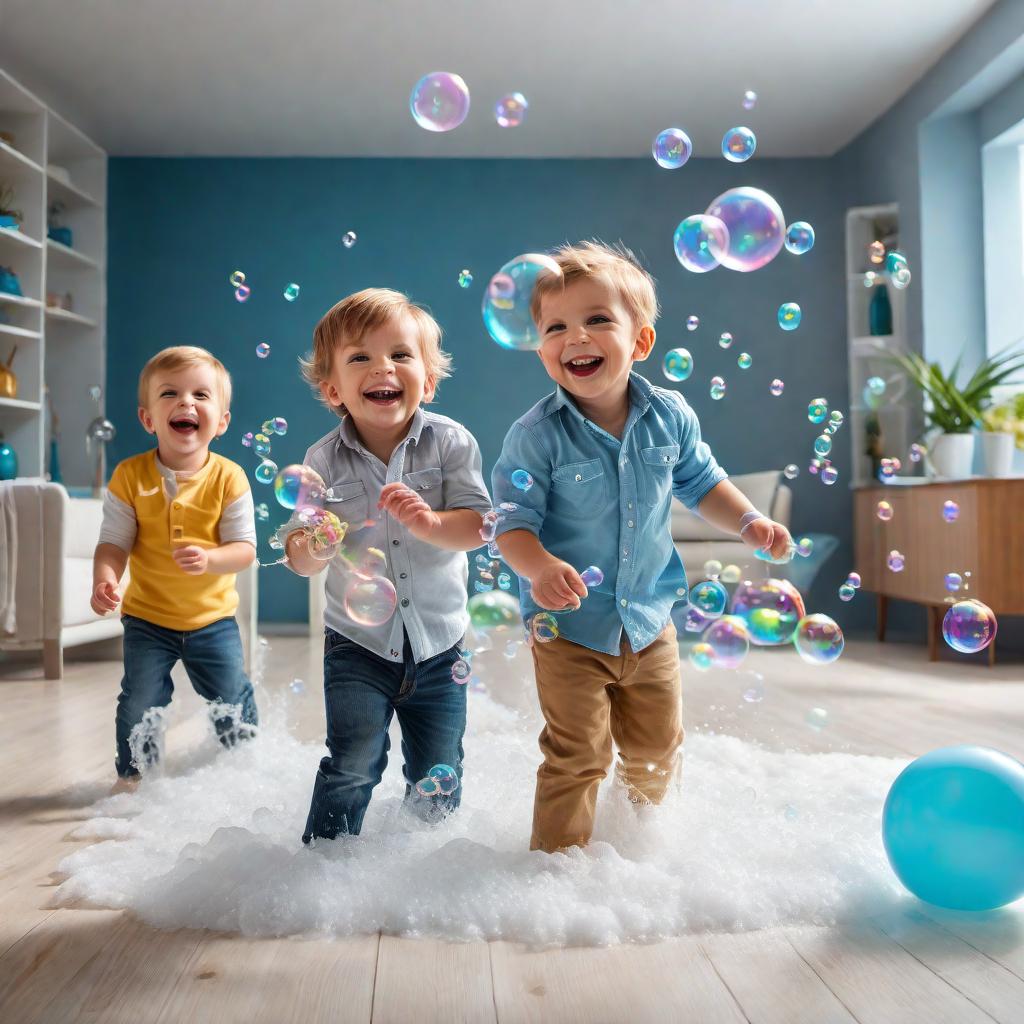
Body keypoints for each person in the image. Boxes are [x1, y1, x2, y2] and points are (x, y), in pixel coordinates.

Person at [491, 241, 793, 852]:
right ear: (542, 350)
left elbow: (703, 482)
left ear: (641, 342)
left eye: (598, 319)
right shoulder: (534, 437)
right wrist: (540, 566)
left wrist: (749, 522)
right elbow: (510, 525)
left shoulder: (670, 415)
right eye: (556, 327)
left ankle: (641, 847)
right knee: (577, 753)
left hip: (651, 619)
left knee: (656, 747)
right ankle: (558, 868)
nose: (576, 336)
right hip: (569, 627)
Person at [287, 288, 492, 843]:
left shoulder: (451, 443)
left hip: (440, 643)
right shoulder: (322, 460)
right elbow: (300, 558)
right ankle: (326, 864)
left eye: (401, 355)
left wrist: (430, 524)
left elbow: (479, 525)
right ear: (333, 389)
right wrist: (318, 543)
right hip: (358, 644)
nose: (383, 367)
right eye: (361, 357)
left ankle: (422, 862)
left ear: (428, 379)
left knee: (439, 769)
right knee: (353, 761)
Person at [92, 346, 258, 788]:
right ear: (148, 418)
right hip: (148, 616)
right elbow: (113, 543)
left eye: (201, 395)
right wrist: (105, 577)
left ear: (221, 421)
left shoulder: (229, 478)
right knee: (139, 699)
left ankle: (244, 763)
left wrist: (210, 559)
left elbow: (244, 550)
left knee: (231, 695)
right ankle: (134, 776)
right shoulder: (129, 476)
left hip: (213, 618)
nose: (186, 403)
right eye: (171, 393)